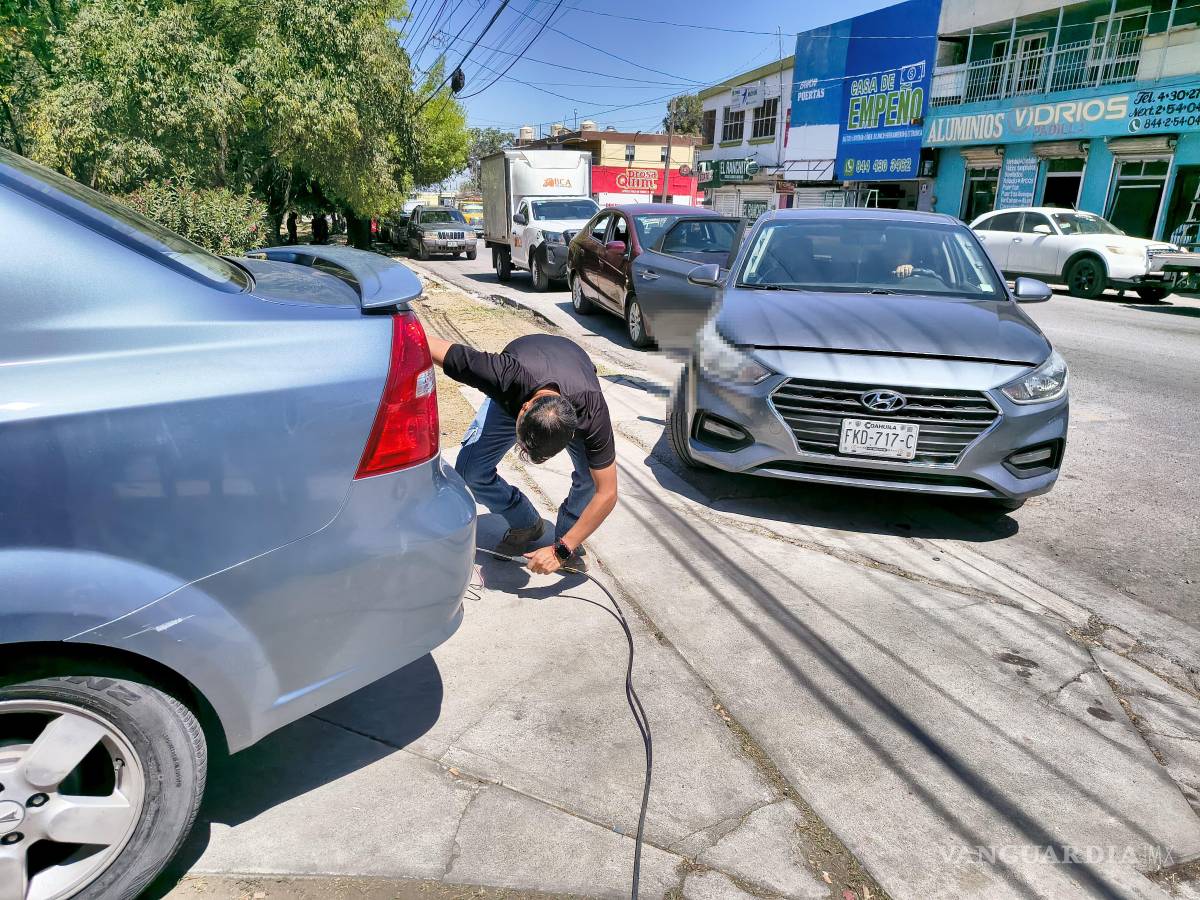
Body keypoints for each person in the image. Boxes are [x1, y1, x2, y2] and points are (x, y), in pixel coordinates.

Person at [426, 333, 618, 575]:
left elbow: (608, 492)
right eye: (523, 446)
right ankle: (525, 523)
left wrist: (562, 549)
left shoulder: (591, 410)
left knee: (591, 479)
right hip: (524, 374)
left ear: (572, 430)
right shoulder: (503, 375)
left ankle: (568, 537)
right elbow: (426, 342)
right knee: (470, 471)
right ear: (523, 409)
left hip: (573, 371)